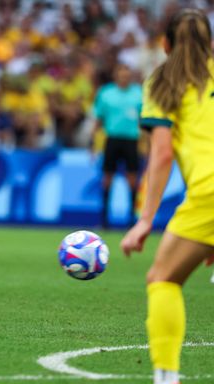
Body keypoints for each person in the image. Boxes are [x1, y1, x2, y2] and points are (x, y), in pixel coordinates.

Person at [120, 9, 214, 384]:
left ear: (165, 44)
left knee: (163, 278)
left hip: (209, 191)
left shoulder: (164, 80)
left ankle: (166, 377)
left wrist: (145, 220)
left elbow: (161, 154)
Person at [92, 62, 142, 228]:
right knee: (107, 178)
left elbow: (145, 121)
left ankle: (131, 219)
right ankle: (105, 219)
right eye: (121, 74)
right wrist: (92, 144)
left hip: (132, 140)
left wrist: (148, 143)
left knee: (133, 179)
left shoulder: (138, 94)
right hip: (112, 139)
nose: (124, 77)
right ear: (115, 76)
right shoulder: (106, 93)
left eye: (127, 75)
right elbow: (98, 119)